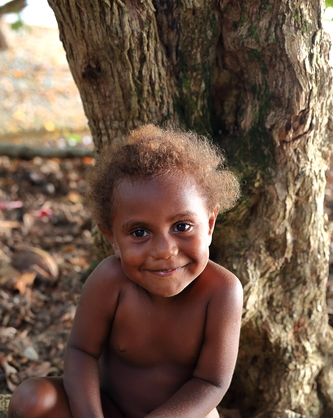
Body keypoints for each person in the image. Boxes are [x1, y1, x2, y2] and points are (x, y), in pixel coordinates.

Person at [9, 125, 243, 418]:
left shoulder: (221, 291)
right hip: (108, 410)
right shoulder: (110, 282)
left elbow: (212, 382)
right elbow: (81, 353)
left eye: (182, 226)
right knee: (33, 400)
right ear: (113, 240)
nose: (164, 250)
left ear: (209, 225)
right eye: (140, 231)